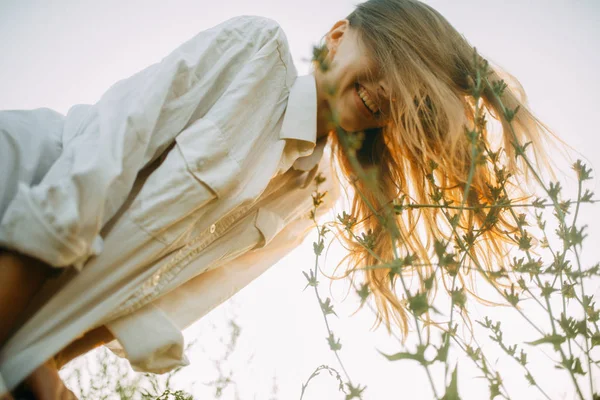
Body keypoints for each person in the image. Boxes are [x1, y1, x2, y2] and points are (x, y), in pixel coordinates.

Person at [0, 0, 557, 398]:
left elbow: (165, 296)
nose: (389, 88)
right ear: (337, 36)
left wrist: (44, 359)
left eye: (412, 88)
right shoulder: (252, 51)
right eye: (389, 59)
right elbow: (99, 162)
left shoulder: (313, 199)